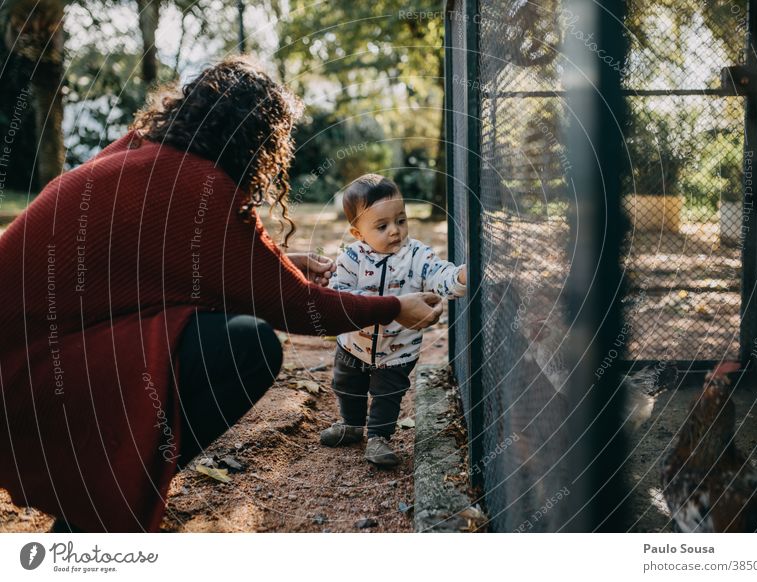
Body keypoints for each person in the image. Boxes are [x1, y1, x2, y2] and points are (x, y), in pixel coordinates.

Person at [0, 56, 443, 532]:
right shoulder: (200, 187)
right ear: (259, 140)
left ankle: (98, 503)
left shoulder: (135, 151)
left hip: (25, 354)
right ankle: (103, 515)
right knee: (247, 345)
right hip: (28, 376)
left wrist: (287, 265)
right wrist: (396, 306)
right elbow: (302, 309)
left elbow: (175, 270)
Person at [320, 174, 466, 466]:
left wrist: (460, 277)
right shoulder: (351, 258)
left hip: (399, 348)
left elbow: (439, 274)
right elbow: (339, 294)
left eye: (401, 220)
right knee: (347, 384)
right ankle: (351, 424)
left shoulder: (417, 255)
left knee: (388, 393)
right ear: (358, 233)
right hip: (353, 344)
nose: (395, 232)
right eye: (382, 226)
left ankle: (378, 437)